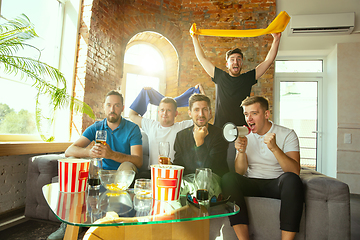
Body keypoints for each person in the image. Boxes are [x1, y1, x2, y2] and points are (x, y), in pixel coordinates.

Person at [47, 90, 142, 240]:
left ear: (122, 108)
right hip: (97, 173)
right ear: (104, 107)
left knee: (128, 165)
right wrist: (90, 152)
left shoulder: (132, 128)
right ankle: (68, 225)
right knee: (74, 160)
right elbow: (69, 150)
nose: (112, 109)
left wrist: (112, 155)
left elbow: (138, 160)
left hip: (120, 175)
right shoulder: (96, 127)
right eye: (109, 105)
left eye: (116, 106)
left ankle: (111, 224)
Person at [221, 96, 303, 240]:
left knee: (292, 180)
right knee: (228, 178)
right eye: (246, 114)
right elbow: (239, 172)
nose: (249, 118)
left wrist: (275, 148)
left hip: (276, 183)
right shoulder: (244, 135)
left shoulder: (287, 134)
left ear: (266, 114)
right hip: (251, 182)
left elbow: (294, 171)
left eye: (254, 113)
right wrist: (241, 152)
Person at [191, 29, 281, 128]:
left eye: (239, 59)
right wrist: (194, 38)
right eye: (232, 59)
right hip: (220, 128)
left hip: (241, 129)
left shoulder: (247, 78)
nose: (236, 62)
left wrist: (276, 39)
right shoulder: (220, 76)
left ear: (241, 64)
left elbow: (268, 61)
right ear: (227, 64)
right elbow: (202, 58)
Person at [129, 84, 205, 171]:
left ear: (175, 114)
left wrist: (201, 94)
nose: (164, 113)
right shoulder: (151, 125)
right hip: (152, 173)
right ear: (158, 112)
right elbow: (131, 115)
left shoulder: (182, 127)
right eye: (162, 110)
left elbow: (202, 120)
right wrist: (143, 94)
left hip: (173, 173)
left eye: (168, 110)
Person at [173, 93, 229, 196]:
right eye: (196, 110)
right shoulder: (181, 136)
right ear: (190, 113)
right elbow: (179, 166)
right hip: (187, 180)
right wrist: (169, 166)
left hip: (212, 180)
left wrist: (200, 143)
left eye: (205, 109)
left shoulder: (220, 134)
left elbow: (209, 168)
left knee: (202, 181)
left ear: (210, 112)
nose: (201, 114)